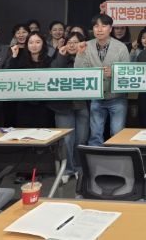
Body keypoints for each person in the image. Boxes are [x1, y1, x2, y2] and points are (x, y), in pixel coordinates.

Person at [75, 13, 130, 146]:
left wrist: (114, 73)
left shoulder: (121, 47)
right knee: (95, 134)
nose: (99, 29)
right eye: (96, 26)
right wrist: (80, 54)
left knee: (117, 133)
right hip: (96, 98)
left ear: (110, 29)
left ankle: (117, 158)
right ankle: (95, 158)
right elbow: (79, 71)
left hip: (117, 98)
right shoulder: (86, 46)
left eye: (104, 26)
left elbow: (128, 74)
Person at [50, 32, 90, 182]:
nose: (72, 45)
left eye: (76, 42)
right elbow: (52, 74)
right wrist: (60, 56)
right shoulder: (58, 56)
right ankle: (67, 169)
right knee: (66, 140)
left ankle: (79, 168)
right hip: (63, 106)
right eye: (69, 42)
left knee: (81, 138)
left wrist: (81, 55)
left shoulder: (87, 57)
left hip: (82, 104)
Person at [6, 31, 55, 128]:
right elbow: (10, 76)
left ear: (43, 44)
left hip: (45, 106)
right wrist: (14, 55)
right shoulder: (20, 60)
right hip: (24, 105)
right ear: (27, 45)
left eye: (38, 42)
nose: (34, 45)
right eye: (31, 42)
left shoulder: (50, 61)